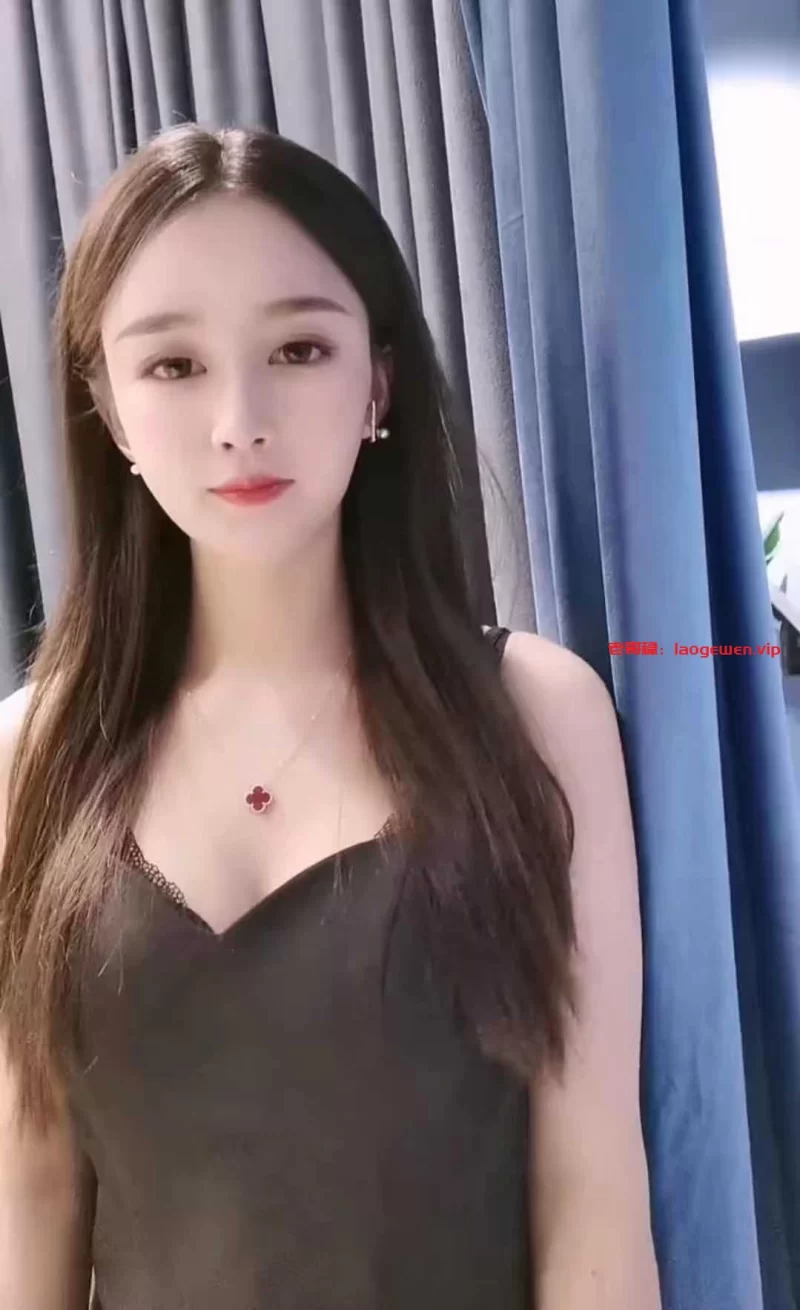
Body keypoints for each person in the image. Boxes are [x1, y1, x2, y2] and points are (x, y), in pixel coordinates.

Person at [0, 123, 661, 1309]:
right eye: (172, 364)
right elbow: (31, 1192)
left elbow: (592, 1192)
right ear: (106, 406)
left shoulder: (532, 714)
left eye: (299, 347)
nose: (239, 418)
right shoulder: (28, 756)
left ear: (378, 382)